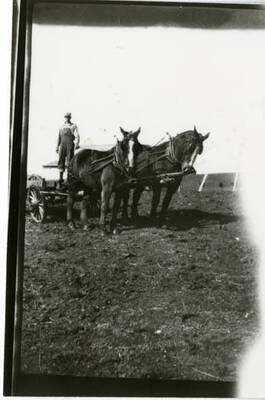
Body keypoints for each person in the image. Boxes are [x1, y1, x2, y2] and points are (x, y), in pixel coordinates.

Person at [56, 112, 80, 186]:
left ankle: (69, 179)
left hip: (70, 145)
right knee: (61, 160)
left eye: (68, 117)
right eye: (66, 117)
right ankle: (60, 179)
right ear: (64, 118)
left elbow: (77, 136)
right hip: (62, 145)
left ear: (70, 118)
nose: (67, 118)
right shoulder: (61, 126)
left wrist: (76, 144)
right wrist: (57, 146)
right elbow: (59, 137)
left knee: (70, 161)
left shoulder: (73, 126)